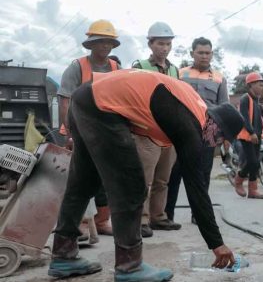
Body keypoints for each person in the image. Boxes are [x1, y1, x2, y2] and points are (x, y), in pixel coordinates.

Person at [47, 69, 242, 281]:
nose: (216, 143)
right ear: (216, 124)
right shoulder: (193, 124)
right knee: (131, 187)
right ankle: (129, 266)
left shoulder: (193, 107)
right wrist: (217, 244)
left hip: (85, 97)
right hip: (102, 105)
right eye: (220, 137)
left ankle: (63, 255)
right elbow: (197, 189)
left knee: (83, 183)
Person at [57, 19, 121, 237]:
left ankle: (102, 221)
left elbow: (121, 99)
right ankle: (80, 224)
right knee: (79, 179)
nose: (105, 46)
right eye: (101, 41)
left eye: (109, 42)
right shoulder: (77, 67)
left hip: (104, 132)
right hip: (79, 130)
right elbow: (65, 100)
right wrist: (71, 133)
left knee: (106, 178)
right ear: (91, 44)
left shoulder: (115, 68)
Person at [166, 37, 229, 224]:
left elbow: (223, 106)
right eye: (200, 52)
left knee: (202, 174)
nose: (204, 56)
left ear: (212, 54)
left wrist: (222, 135)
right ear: (192, 53)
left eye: (207, 53)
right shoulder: (179, 74)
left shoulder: (219, 78)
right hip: (181, 130)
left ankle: (198, 215)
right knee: (174, 173)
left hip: (207, 131)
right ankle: (167, 215)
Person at [131, 22, 181, 238]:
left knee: (163, 179)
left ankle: (158, 217)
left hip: (169, 132)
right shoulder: (140, 66)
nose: (165, 48)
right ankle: (140, 220)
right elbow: (133, 98)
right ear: (150, 44)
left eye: (168, 44)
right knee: (145, 179)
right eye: (160, 43)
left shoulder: (174, 69)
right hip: (147, 131)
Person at [234, 72, 263, 199]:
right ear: (251, 85)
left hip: (257, 136)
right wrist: (251, 132)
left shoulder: (257, 100)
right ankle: (238, 180)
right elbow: (244, 117)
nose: (262, 87)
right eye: (259, 84)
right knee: (252, 161)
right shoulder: (245, 98)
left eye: (262, 85)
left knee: (256, 163)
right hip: (247, 136)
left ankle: (253, 191)